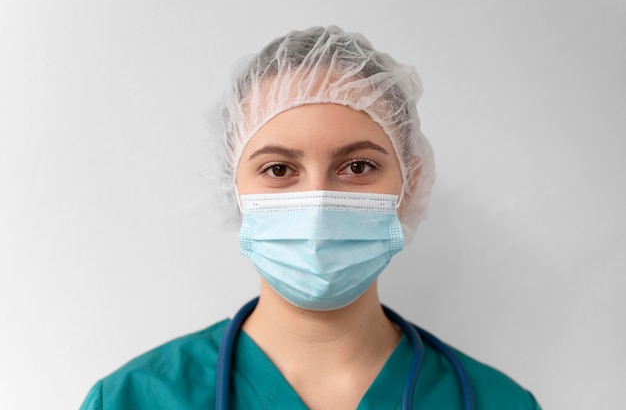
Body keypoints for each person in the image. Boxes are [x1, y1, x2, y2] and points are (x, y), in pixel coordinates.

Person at [80, 26, 540, 409]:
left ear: (410, 183)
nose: (318, 203)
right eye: (279, 169)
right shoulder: (132, 399)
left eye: (358, 166)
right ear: (233, 188)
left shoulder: (495, 401)